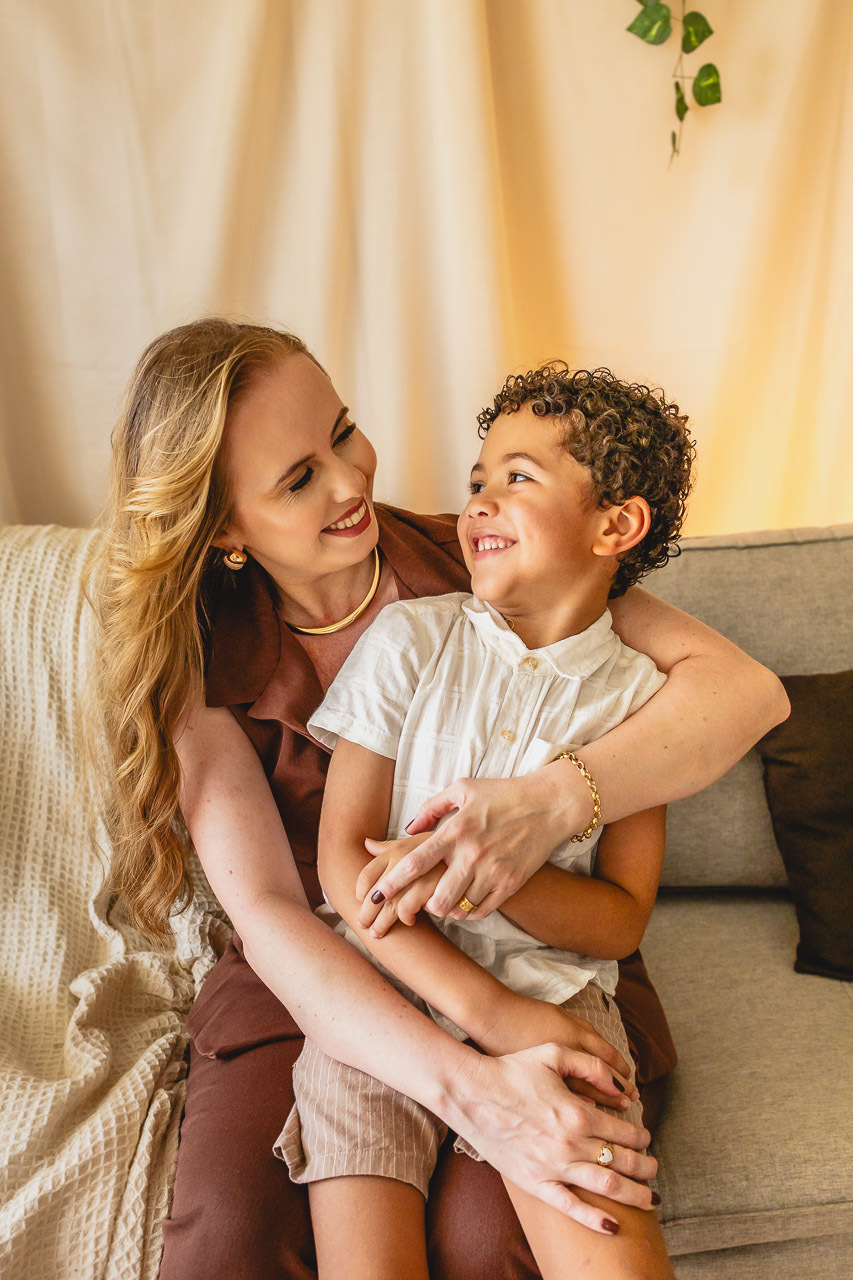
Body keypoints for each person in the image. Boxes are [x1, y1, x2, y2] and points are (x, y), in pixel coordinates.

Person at [91, 319, 789, 1280]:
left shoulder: (490, 562)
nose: (350, 483)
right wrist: (472, 1073)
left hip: (533, 963)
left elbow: (743, 693)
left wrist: (550, 801)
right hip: (321, 964)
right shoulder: (200, 659)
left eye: (342, 432)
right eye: (297, 478)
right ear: (222, 528)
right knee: (230, 1237)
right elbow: (274, 911)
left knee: (485, 1233)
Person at [278, 363, 688, 1278]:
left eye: (518, 478)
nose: (479, 502)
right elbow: (344, 857)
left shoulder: (641, 702)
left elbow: (620, 918)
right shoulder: (408, 640)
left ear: (615, 525)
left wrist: (502, 875)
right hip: (377, 995)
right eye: (476, 481)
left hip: (556, 1001)